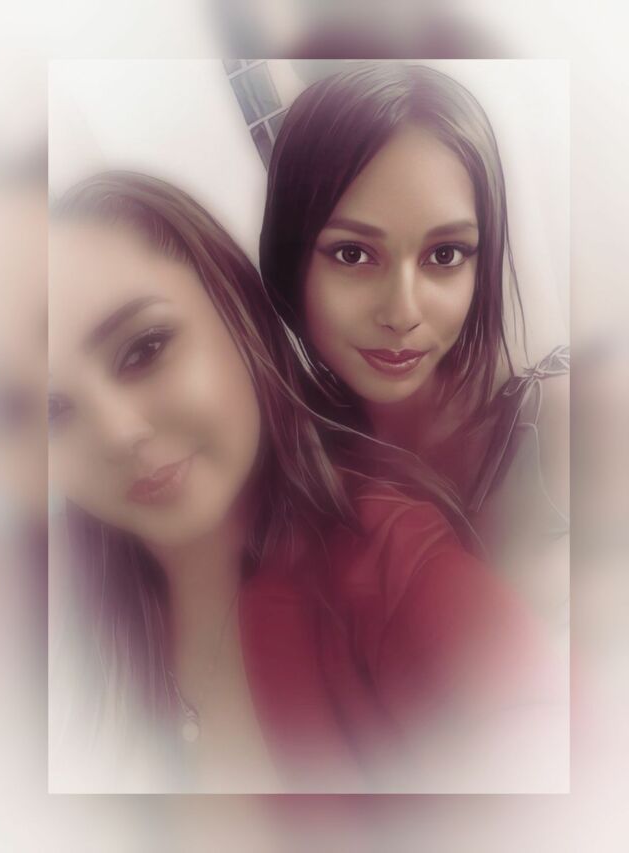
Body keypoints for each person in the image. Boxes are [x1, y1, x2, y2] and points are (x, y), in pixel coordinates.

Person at [48, 171, 563, 794]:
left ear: (236, 310)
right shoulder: (69, 618)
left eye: (144, 349)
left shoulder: (389, 563)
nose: (116, 432)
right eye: (51, 410)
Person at [259, 61, 569, 629]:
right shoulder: (290, 465)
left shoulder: (569, 423)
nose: (403, 314)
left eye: (445, 255)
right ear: (290, 257)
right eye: (353, 254)